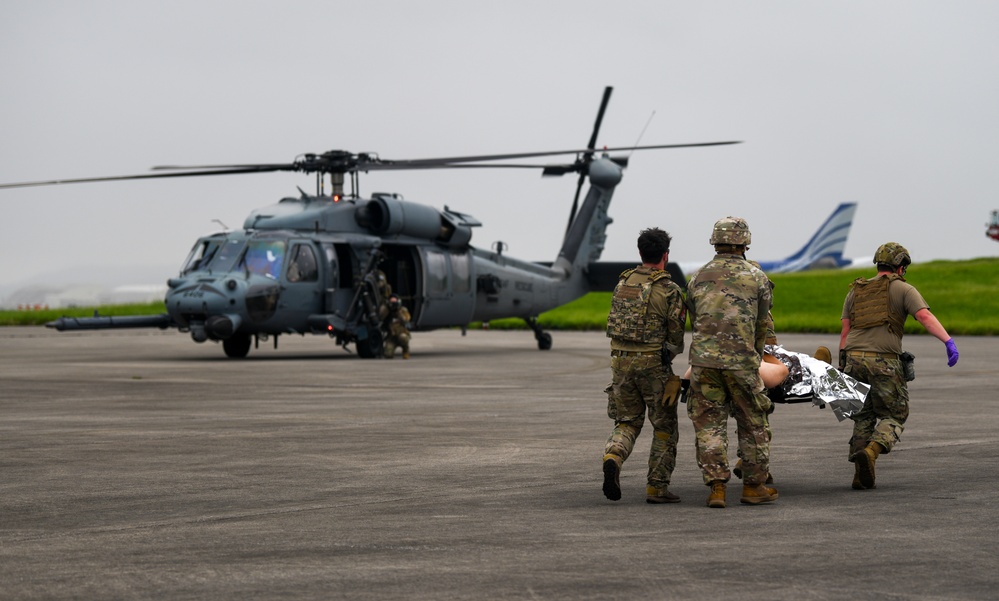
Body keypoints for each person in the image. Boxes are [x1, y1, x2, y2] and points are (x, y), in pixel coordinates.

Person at [839, 242, 959, 490]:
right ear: (901, 266)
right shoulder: (903, 289)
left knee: (862, 416)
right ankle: (871, 453)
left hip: (852, 358)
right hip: (883, 360)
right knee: (895, 414)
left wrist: (842, 363)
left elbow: (846, 331)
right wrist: (948, 341)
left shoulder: (855, 291)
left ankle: (859, 475)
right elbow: (924, 316)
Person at [686, 217, 777, 508]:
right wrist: (756, 355)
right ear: (745, 242)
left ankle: (716, 488)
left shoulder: (697, 276)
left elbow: (694, 320)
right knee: (753, 423)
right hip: (741, 363)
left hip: (704, 362)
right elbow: (763, 324)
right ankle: (753, 487)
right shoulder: (757, 277)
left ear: (715, 241)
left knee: (709, 426)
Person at [602, 227, 686, 504]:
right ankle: (657, 487)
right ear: (665, 255)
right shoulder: (669, 289)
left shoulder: (622, 283)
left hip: (620, 362)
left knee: (627, 421)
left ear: (640, 253)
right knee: (664, 427)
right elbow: (675, 338)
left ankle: (614, 455)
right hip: (653, 364)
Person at [383, 294, 412, 359]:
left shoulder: (403, 310)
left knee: (403, 338)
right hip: (392, 337)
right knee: (388, 355)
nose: (393, 305)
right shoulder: (387, 312)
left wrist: (399, 312)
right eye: (391, 303)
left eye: (394, 303)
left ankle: (405, 350)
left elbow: (406, 319)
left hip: (401, 334)